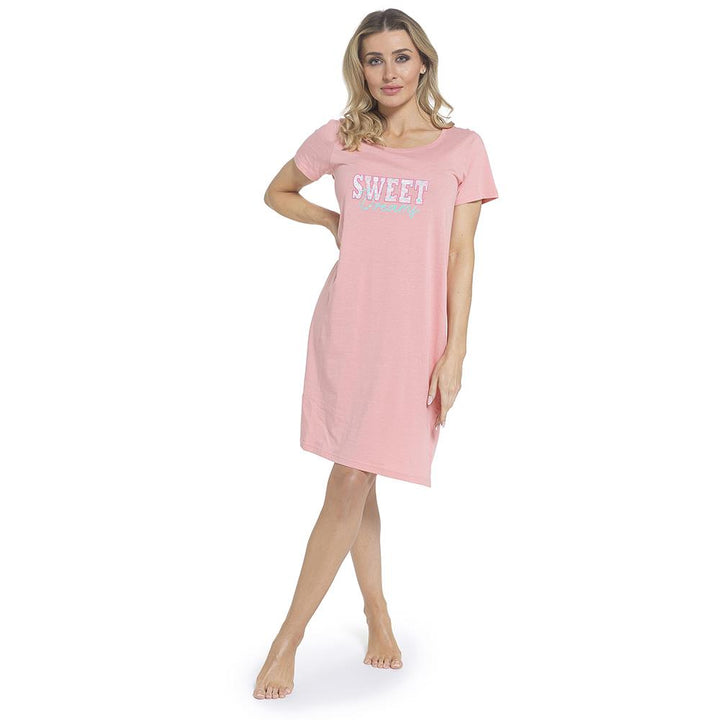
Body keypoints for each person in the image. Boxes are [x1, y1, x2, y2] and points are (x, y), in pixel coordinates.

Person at [256, 8, 498, 700]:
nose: (388, 72)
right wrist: (331, 219)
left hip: (414, 341)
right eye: (373, 59)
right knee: (353, 476)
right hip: (349, 328)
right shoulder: (341, 138)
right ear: (359, 69)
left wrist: (455, 352)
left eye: (400, 57)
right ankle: (352, 621)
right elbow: (276, 191)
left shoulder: (462, 149)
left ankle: (311, 631)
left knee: (357, 475)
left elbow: (461, 254)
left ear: (423, 62)